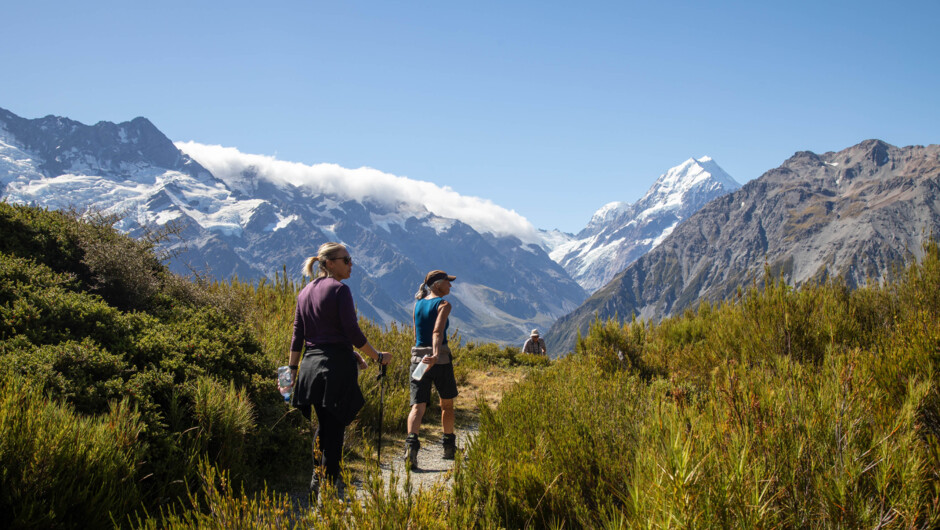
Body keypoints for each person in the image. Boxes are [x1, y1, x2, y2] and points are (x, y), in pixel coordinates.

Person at [286, 242, 391, 500]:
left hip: (310, 368)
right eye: (347, 259)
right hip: (334, 370)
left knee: (323, 425)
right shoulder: (340, 290)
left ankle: (317, 478)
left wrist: (291, 369)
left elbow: (299, 336)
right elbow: (352, 332)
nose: (351, 264)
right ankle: (330, 488)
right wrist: (377, 356)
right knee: (335, 430)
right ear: (330, 263)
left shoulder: (304, 292)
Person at [405, 270, 459, 468]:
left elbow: (416, 332)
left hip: (418, 360)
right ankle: (448, 447)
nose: (450, 286)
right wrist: (435, 355)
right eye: (447, 282)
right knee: (447, 404)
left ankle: (411, 447)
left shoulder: (417, 304)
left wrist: (424, 355)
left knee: (417, 406)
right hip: (440, 360)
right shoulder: (444, 305)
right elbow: (437, 331)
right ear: (437, 285)